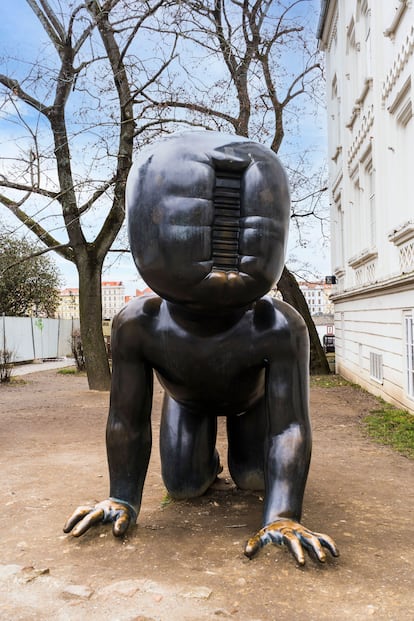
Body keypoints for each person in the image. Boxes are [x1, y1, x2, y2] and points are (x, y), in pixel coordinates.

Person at [64, 131, 339, 566]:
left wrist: (283, 516)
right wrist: (121, 497)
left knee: (254, 478)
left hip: (252, 403)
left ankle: (246, 468)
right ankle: (206, 461)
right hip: (187, 402)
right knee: (184, 485)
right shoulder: (139, 324)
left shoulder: (278, 325)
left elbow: (288, 427)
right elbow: (126, 419)